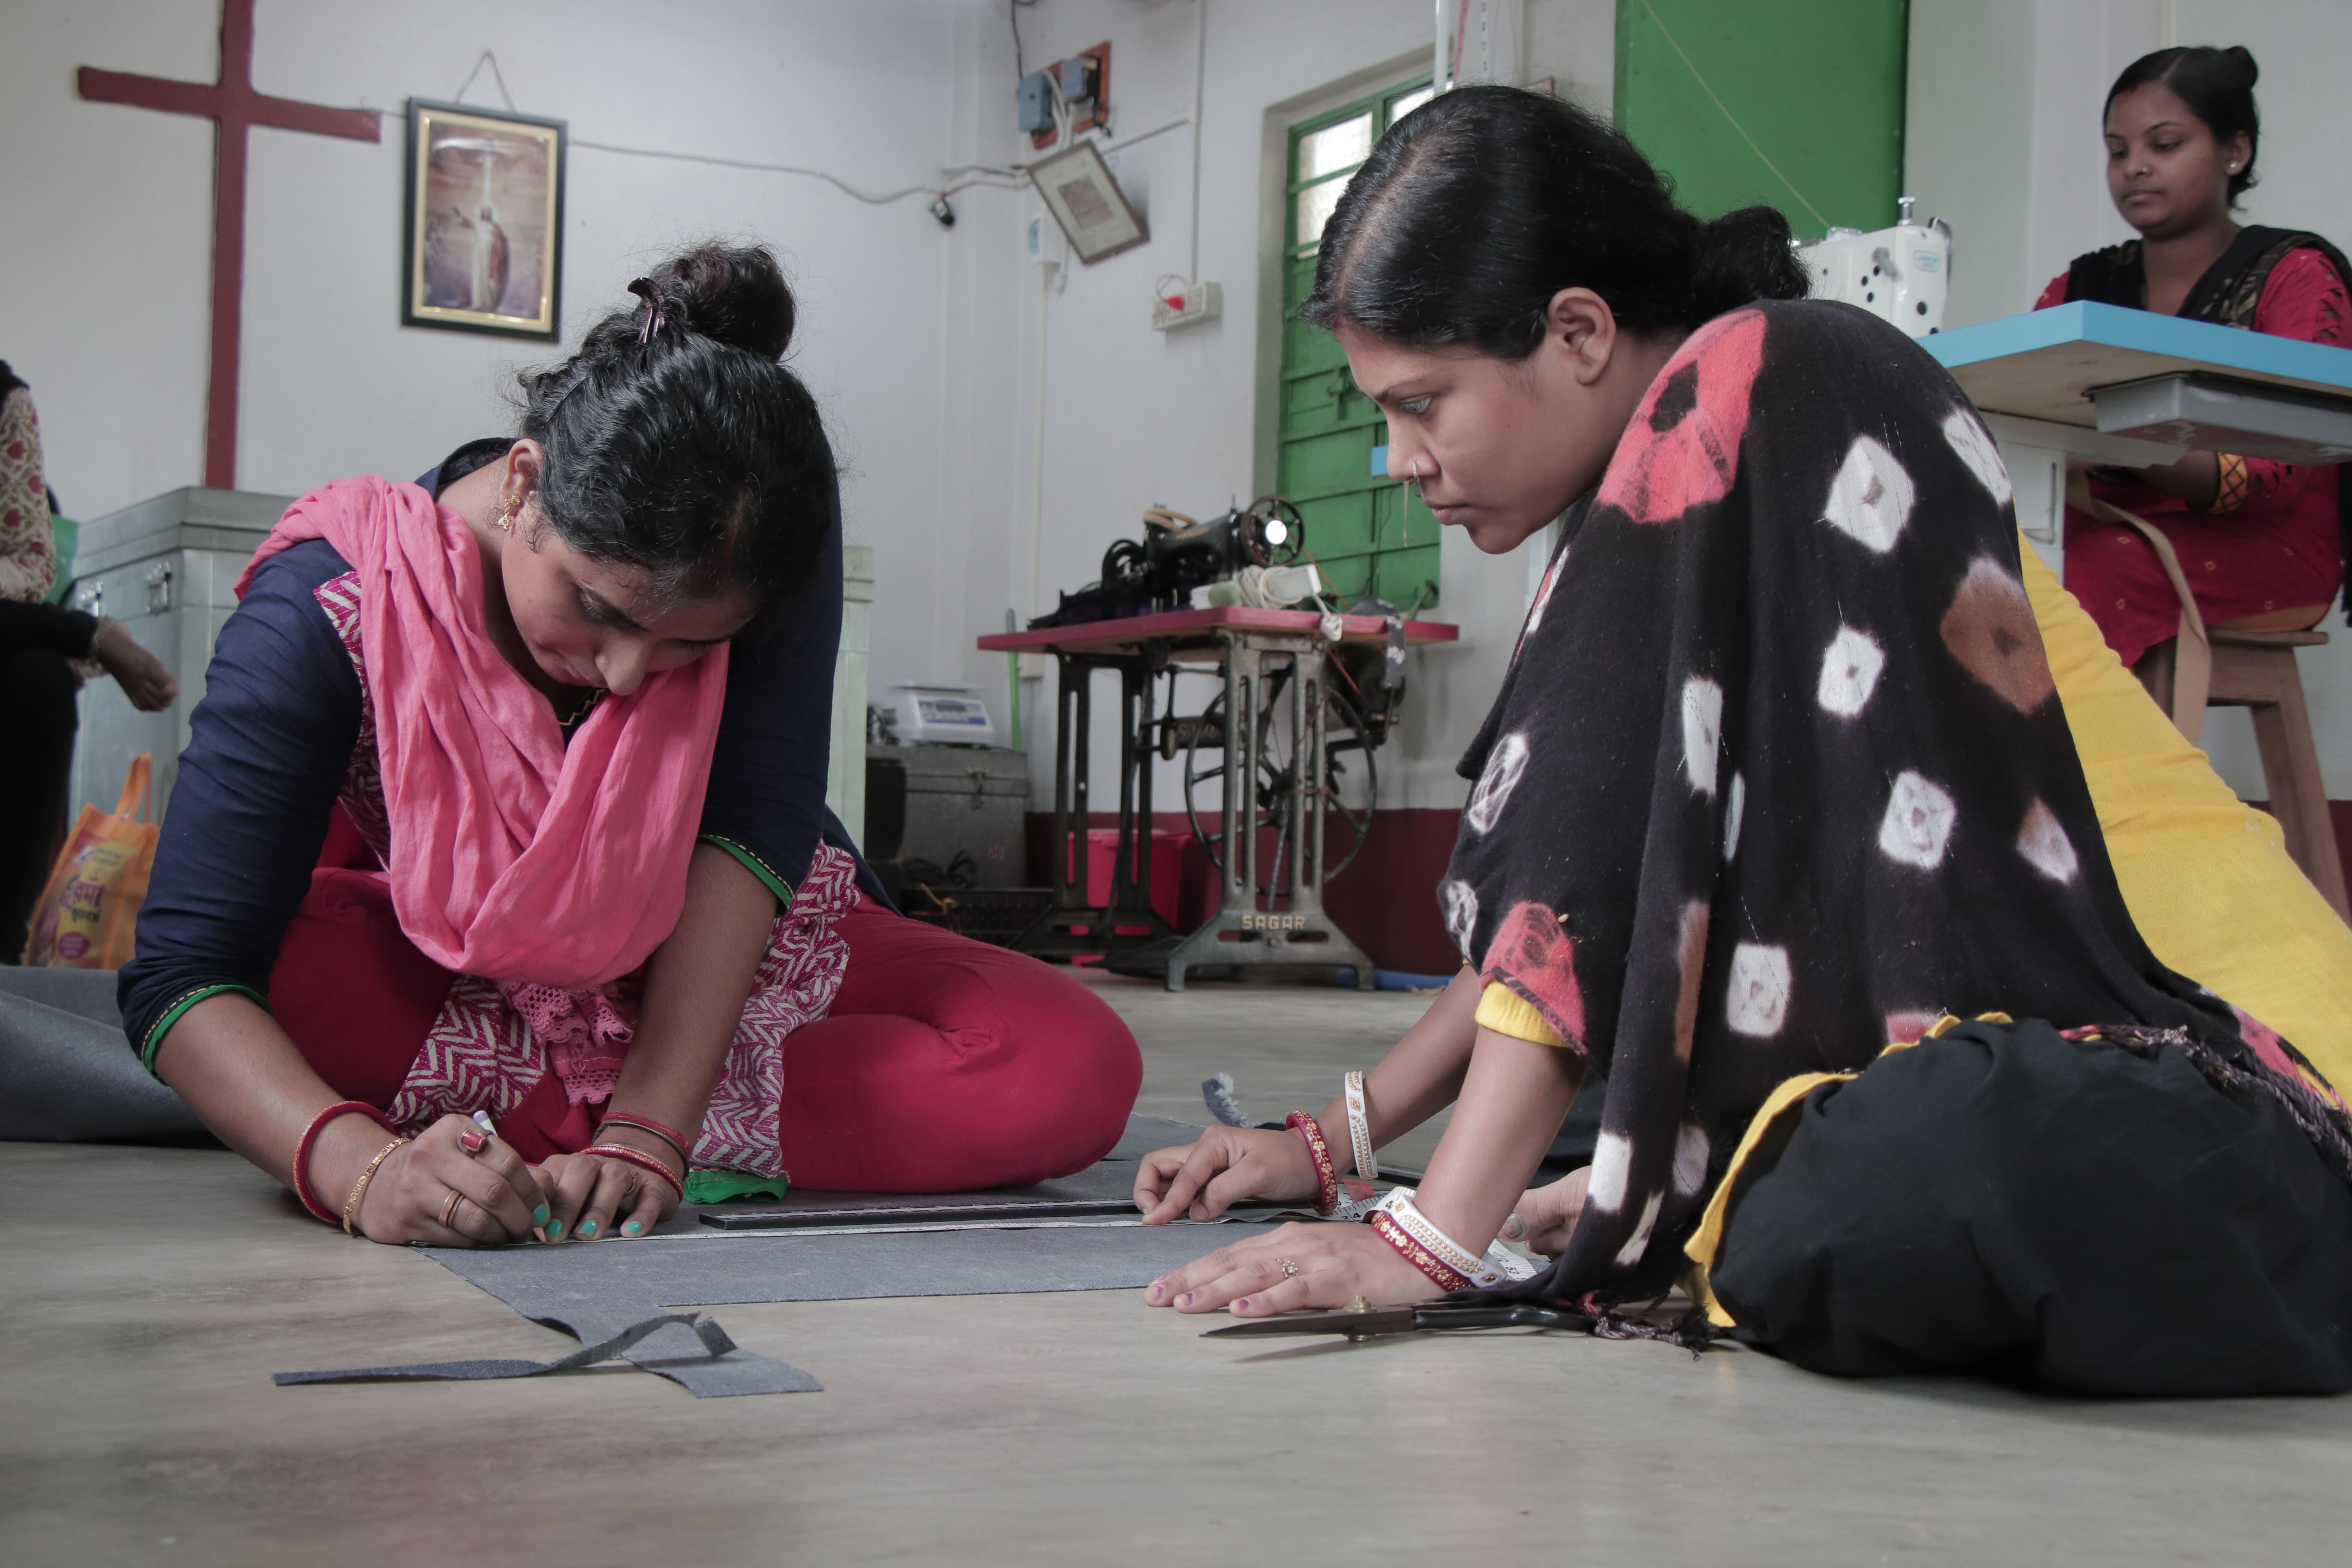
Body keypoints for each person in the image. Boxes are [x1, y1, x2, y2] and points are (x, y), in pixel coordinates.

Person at [1133, 87, 2352, 1396]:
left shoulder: (1772, 370)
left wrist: (1425, 1241)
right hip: (1962, 1061)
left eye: (1425, 402)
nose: (1403, 457)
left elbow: (1575, 899)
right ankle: (1720, 1180)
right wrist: (1332, 1142)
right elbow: (1590, 911)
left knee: (1895, 1179)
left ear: (1582, 332)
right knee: (1684, 1144)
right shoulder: (1663, 477)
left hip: (2206, 1091)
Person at [116, 244, 1140, 1245]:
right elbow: (187, 968)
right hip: (451, 974)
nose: (624, 679)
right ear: (522, 486)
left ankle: (533, 1133)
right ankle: (563, 1127)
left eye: (690, 650)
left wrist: (653, 1125)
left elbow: (749, 820)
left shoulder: (763, 534)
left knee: (1064, 1062)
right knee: (282, 975)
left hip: (709, 956)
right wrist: (357, 1168)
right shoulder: (337, 602)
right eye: (596, 608)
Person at [2035, 46, 2348, 669]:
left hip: (2272, 540)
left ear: (2236, 151)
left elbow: (2275, 473)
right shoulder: (2082, 288)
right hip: (2108, 521)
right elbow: (2029, 403)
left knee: (2090, 571)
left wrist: (2126, 440)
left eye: (2165, 145)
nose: (2136, 169)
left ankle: (2064, 768)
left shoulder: (2297, 277)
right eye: (2119, 151)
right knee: (1970, 561)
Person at [1, 359, 177, 960]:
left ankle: (6, 957)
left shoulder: (4, 396)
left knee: (37, 681)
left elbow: (25, 561)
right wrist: (88, 634)